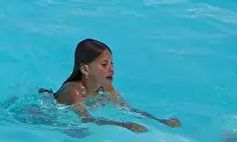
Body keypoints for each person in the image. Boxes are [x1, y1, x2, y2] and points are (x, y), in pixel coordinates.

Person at [43, 38, 180, 133]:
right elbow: (86, 119)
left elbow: (127, 109)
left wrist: (160, 121)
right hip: (46, 117)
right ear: (85, 69)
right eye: (104, 64)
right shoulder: (74, 91)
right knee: (79, 133)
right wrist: (123, 125)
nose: (111, 69)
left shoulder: (105, 87)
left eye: (111, 63)